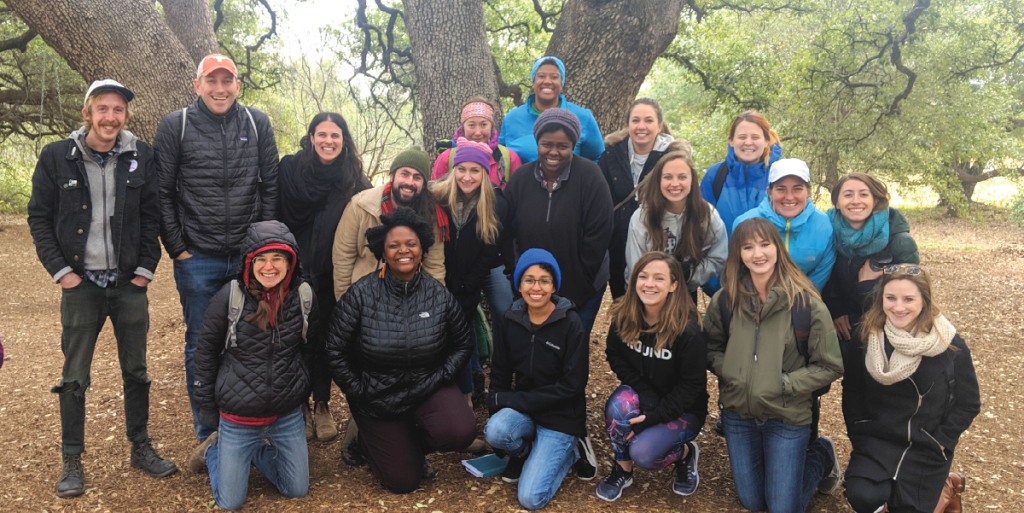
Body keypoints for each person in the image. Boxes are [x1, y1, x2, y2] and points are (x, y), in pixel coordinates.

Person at [28, 79, 177, 498]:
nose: (110, 117)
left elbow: (153, 216)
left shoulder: (141, 156)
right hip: (81, 286)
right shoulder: (57, 156)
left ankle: (141, 447)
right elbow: (39, 217)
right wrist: (61, 272)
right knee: (74, 377)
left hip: (129, 283)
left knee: (137, 371)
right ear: (88, 113)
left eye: (118, 110)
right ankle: (72, 458)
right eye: (103, 109)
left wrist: (146, 268)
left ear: (126, 115)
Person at [153, 53, 280, 443]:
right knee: (200, 344)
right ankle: (209, 431)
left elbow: (270, 186)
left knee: (254, 339)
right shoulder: (177, 125)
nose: (220, 89)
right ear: (198, 85)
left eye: (228, 81)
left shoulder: (257, 124)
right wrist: (178, 248)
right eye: (212, 81)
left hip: (248, 258)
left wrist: (262, 246)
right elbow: (163, 193)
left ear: (238, 85)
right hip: (199, 258)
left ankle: (252, 423)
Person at [326, 208, 476, 494]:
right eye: (394, 245)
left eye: (411, 244)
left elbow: (462, 344)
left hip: (426, 385)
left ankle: (403, 442)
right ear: (383, 251)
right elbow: (334, 348)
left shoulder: (438, 295)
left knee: (461, 431)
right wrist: (358, 389)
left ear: (422, 248)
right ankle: (371, 441)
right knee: (403, 481)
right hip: (376, 395)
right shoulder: (360, 294)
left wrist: (442, 375)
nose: (403, 251)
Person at [704, 217, 844, 513]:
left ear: (778, 249)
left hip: (787, 417)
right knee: (754, 502)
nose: (758, 254)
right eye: (748, 247)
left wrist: (783, 384)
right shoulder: (725, 302)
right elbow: (710, 348)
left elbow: (830, 366)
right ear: (738, 254)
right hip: (739, 416)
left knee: (782, 507)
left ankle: (820, 454)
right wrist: (732, 370)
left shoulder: (806, 304)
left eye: (765, 244)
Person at [188, 221, 318, 511]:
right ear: (249, 262)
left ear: (290, 262)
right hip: (237, 415)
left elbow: (309, 350)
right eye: (261, 259)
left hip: (285, 414)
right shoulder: (229, 297)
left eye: (277, 259)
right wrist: (207, 406)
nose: (269, 267)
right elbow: (206, 353)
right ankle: (214, 450)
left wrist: (301, 389)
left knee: (296, 489)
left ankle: (257, 451)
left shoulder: (304, 296)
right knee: (229, 502)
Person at [842, 264, 980, 513]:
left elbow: (968, 402)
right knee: (863, 498)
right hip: (876, 439)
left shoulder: (949, 344)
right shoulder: (866, 336)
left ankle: (947, 485)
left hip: (926, 445)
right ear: (880, 298)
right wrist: (858, 429)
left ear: (924, 301)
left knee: (905, 507)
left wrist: (943, 440)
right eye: (891, 298)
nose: (898, 307)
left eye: (908, 299)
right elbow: (852, 390)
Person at [279, 112, 371, 443]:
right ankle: (298, 406)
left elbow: (374, 212)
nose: (328, 141)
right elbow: (271, 212)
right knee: (295, 338)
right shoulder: (289, 170)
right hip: (291, 271)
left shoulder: (353, 178)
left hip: (333, 274)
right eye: (322, 134)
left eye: (335, 135)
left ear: (344, 140)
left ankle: (321, 405)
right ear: (312, 136)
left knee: (325, 341)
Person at [597, 252, 708, 502]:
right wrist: (642, 391)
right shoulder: (624, 316)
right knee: (617, 406)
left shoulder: (688, 330)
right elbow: (614, 354)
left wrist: (654, 417)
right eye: (643, 276)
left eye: (659, 278)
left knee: (645, 454)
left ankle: (685, 453)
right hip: (645, 396)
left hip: (684, 409)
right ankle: (622, 469)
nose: (649, 284)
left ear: (673, 285)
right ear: (634, 280)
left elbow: (693, 385)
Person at [484, 249, 590, 510]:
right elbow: (500, 372)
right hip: (527, 412)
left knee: (531, 499)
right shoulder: (511, 320)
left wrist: (514, 399)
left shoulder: (571, 323)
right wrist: (496, 404)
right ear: (519, 284)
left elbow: (572, 386)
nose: (536, 287)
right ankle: (524, 453)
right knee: (495, 430)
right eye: (529, 279)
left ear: (554, 285)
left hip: (560, 417)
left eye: (544, 280)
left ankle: (573, 450)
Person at [430, 96, 521, 389]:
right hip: (455, 261)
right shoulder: (441, 184)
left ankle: (503, 373)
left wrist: (471, 280)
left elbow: (494, 242)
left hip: (489, 259)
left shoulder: (498, 191)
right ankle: (469, 380)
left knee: (503, 312)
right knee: (460, 319)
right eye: (472, 124)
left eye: (484, 124)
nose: (468, 176)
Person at [503, 107, 614, 346]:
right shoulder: (520, 179)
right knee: (536, 349)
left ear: (573, 145)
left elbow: (600, 233)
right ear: (537, 144)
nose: (553, 152)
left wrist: (579, 284)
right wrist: (519, 276)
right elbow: (508, 233)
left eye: (562, 146)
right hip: (532, 286)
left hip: (584, 284)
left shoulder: (591, 176)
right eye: (546, 144)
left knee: (572, 350)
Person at [432, 138, 509, 408]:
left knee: (464, 326)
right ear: (453, 170)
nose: (467, 176)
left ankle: (479, 386)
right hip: (444, 273)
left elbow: (490, 250)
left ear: (484, 173)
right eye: (461, 169)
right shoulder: (438, 197)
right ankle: (464, 387)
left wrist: (469, 285)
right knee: (452, 332)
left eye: (474, 170)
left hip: (471, 275)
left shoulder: (496, 202)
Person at [823, 173, 919, 356]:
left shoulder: (900, 242)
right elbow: (827, 275)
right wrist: (836, 309)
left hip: (886, 324)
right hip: (844, 322)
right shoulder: (827, 233)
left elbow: (910, 298)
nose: (856, 201)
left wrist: (867, 286)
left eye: (864, 194)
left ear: (875, 201)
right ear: (837, 202)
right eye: (848, 194)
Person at [332, 146, 446, 300]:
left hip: (410, 299)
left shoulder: (430, 214)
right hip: (365, 296)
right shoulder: (360, 206)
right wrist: (345, 303)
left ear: (424, 184)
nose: (409, 182)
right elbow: (343, 259)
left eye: (417, 177)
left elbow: (435, 267)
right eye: (404, 174)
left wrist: (435, 307)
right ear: (392, 176)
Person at [599, 98, 678, 298]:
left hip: (662, 246)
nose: (641, 126)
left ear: (659, 126)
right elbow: (601, 204)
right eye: (636, 121)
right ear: (627, 126)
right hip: (619, 249)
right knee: (626, 311)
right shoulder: (610, 156)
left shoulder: (674, 157)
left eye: (648, 121)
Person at [624, 151, 727, 304]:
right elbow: (635, 265)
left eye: (682, 177)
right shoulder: (642, 217)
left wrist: (689, 274)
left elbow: (718, 258)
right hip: (646, 294)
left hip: (686, 292)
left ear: (692, 180)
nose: (675, 184)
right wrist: (658, 281)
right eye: (667, 177)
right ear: (658, 180)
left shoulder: (707, 216)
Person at [733, 158, 835, 292]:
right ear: (770, 192)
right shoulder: (744, 223)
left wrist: (801, 304)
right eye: (781, 189)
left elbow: (820, 275)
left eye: (797, 189)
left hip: (804, 302)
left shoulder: (824, 225)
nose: (789, 197)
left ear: (809, 192)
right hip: (753, 301)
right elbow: (736, 270)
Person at [499, 56, 604, 163]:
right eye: (541, 76)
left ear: (562, 83)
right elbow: (499, 159)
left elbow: (598, 158)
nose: (547, 81)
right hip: (520, 180)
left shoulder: (583, 117)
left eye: (554, 77)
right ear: (533, 82)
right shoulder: (511, 118)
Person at [699, 111, 782, 235]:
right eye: (742, 137)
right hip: (722, 254)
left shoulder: (778, 176)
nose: (748, 142)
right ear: (731, 141)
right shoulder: (715, 175)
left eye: (755, 137)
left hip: (766, 254)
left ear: (766, 141)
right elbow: (700, 223)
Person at [431, 96, 523, 188]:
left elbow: (518, 196)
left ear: (491, 126)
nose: (478, 132)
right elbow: (435, 196)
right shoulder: (447, 159)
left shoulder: (509, 159)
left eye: (483, 125)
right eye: (471, 125)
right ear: (463, 128)